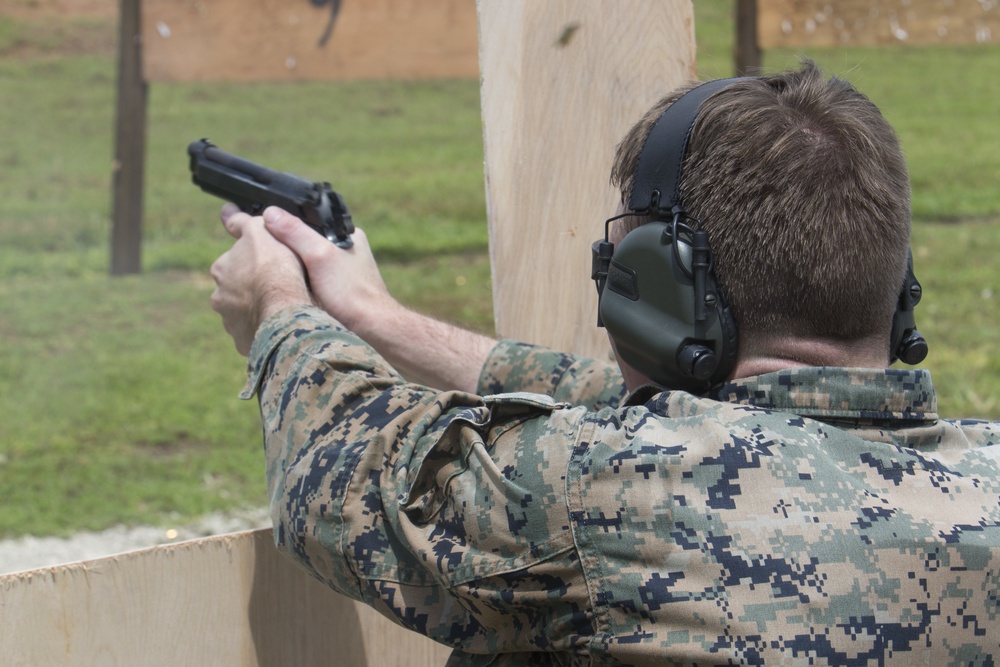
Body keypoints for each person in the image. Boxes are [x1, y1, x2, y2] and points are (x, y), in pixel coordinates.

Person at [209, 61, 1000, 665]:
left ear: (658, 290)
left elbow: (340, 470)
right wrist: (375, 318)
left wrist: (278, 306)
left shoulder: (606, 494)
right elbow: (659, 414)